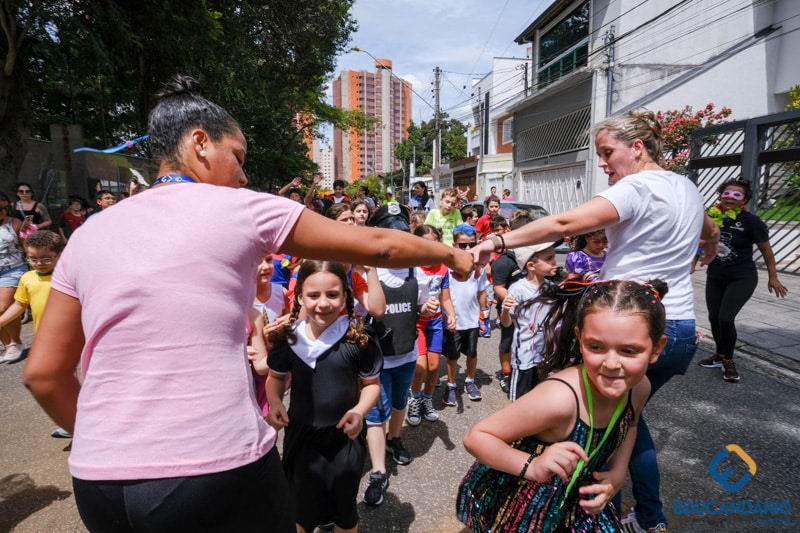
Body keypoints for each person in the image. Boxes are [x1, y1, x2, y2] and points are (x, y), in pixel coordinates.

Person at [22, 74, 472, 533]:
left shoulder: (88, 234)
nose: (243, 175)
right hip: (213, 469)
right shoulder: (243, 209)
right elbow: (377, 245)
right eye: (237, 157)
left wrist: (110, 445)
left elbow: (42, 374)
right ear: (200, 143)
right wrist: (453, 254)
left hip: (99, 484)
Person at [469, 108, 720, 533]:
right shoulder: (686, 187)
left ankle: (607, 514)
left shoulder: (637, 187)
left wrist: (497, 240)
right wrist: (709, 244)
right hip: (678, 330)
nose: (602, 163)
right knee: (627, 417)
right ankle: (636, 515)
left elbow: (566, 222)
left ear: (637, 148)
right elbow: (708, 227)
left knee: (613, 421)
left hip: (631, 323)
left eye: (607, 152)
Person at [460, 279, 669, 532]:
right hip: (519, 505)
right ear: (580, 339)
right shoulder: (559, 398)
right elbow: (477, 437)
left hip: (574, 505)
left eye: (629, 351)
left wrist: (619, 471)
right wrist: (533, 465)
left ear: (656, 348)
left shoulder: (639, 388)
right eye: (596, 347)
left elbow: (631, 425)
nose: (612, 363)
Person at [266, 261, 382, 533]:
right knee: (300, 511)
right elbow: (276, 378)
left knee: (344, 513)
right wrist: (274, 402)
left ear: (345, 295)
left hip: (345, 438)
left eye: (332, 295)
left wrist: (359, 412)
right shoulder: (289, 338)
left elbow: (372, 385)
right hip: (301, 439)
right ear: (299, 297)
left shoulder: (358, 338)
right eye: (313, 295)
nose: (323, 304)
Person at [361, 203, 430, 506]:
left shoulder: (418, 272)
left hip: (406, 354)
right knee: (376, 414)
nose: (395, 240)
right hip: (377, 359)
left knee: (400, 403)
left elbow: (423, 305)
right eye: (388, 233)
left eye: (401, 233)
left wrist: (428, 309)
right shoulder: (367, 271)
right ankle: (378, 471)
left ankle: (395, 439)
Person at [695, 177, 787, 382]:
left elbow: (766, 250)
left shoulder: (751, 222)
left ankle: (728, 360)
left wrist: (773, 277)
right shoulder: (712, 217)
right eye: (726, 194)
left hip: (742, 277)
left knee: (725, 318)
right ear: (721, 195)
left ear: (744, 200)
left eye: (736, 195)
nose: (730, 198)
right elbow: (702, 242)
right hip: (716, 276)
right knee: (713, 318)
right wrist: (693, 263)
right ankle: (719, 354)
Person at [407, 224, 456, 426]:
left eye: (435, 245)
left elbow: (445, 298)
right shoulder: (410, 267)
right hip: (415, 321)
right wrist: (420, 308)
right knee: (420, 368)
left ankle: (427, 400)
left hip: (435, 321)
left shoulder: (443, 268)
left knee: (434, 366)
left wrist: (451, 314)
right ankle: (414, 399)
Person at [499, 241, 560, 401]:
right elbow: (506, 323)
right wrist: (505, 309)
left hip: (543, 354)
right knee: (519, 398)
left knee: (538, 396)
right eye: (548, 258)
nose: (554, 261)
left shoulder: (551, 287)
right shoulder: (518, 289)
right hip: (524, 354)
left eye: (554, 256)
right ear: (531, 266)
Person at [442, 224, 489, 406]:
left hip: (472, 321)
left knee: (472, 353)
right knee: (452, 356)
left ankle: (470, 381)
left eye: (471, 244)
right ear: (455, 245)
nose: (468, 249)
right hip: (454, 322)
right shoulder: (446, 268)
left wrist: (484, 314)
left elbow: (482, 292)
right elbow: (442, 294)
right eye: (463, 245)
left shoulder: (480, 268)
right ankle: (451, 385)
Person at [0, 193, 26, 364]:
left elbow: (26, 246)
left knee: (3, 308)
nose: (2, 212)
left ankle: (15, 342)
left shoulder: (14, 223)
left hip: (12, 270)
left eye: (4, 208)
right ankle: (5, 343)